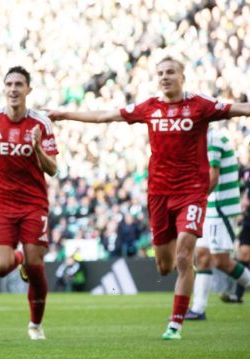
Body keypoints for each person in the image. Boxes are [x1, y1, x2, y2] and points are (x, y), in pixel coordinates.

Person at [48, 56, 250, 340]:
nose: (165, 77)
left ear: (183, 77)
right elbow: (105, 116)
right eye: (161, 73)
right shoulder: (149, 108)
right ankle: (184, 277)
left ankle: (175, 324)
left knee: (183, 255)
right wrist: (64, 114)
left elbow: (240, 109)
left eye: (170, 72)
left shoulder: (200, 105)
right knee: (165, 266)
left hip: (191, 192)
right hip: (158, 195)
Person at [0, 66, 58, 341]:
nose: (14, 89)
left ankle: (35, 324)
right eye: (9, 84)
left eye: (19, 84)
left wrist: (38, 149)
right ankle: (18, 258)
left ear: (28, 89)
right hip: (0, 204)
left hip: (33, 204)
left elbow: (53, 169)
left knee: (36, 265)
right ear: (4, 88)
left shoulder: (41, 124)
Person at [186, 128, 250, 319]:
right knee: (202, 256)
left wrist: (197, 199)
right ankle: (198, 309)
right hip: (211, 206)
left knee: (220, 261)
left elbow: (213, 177)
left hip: (220, 206)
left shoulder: (212, 138)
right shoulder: (203, 138)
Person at [222, 154, 250, 303]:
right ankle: (238, 295)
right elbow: (236, 187)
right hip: (248, 219)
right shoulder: (245, 171)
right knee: (243, 255)